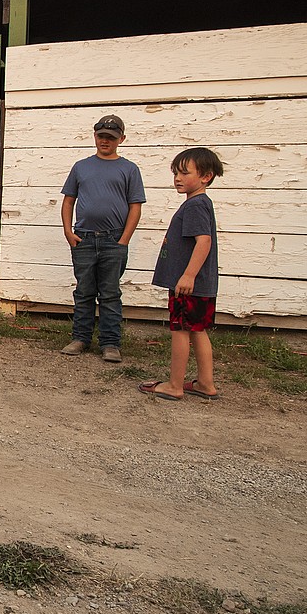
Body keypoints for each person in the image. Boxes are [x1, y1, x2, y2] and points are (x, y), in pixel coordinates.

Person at [138, 147, 224, 402]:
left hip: (188, 285)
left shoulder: (195, 206)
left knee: (181, 330)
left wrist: (187, 276)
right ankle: (205, 384)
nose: (178, 177)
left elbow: (203, 242)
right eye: (176, 172)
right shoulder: (200, 203)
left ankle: (175, 385)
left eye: (185, 172)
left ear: (206, 176)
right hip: (201, 285)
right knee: (198, 330)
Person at [59, 114, 146, 362]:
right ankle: (80, 338)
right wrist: (68, 231)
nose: (105, 141)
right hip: (84, 239)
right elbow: (68, 201)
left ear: (121, 139)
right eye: (101, 136)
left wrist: (124, 240)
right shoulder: (81, 167)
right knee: (84, 291)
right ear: (94, 136)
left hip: (113, 240)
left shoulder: (129, 169)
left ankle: (110, 343)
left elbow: (135, 205)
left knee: (109, 293)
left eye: (111, 137)